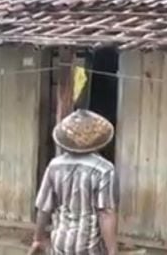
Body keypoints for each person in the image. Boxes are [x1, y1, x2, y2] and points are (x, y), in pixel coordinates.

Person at [28, 109, 119, 255]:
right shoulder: (104, 169)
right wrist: (112, 250)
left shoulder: (54, 165)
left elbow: (44, 208)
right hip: (90, 247)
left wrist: (37, 238)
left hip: (60, 243)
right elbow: (105, 213)